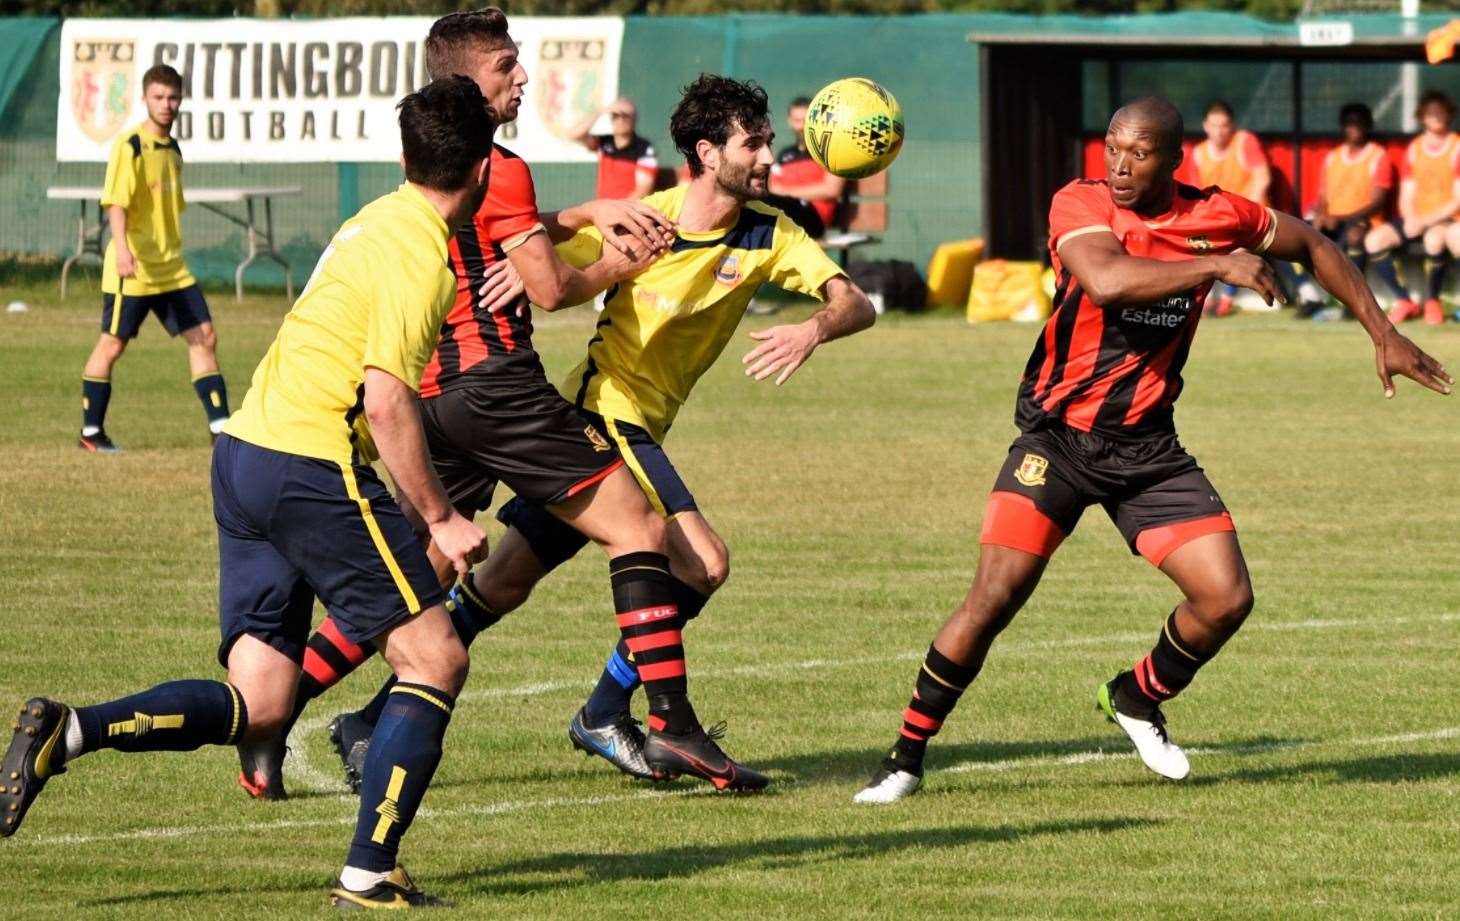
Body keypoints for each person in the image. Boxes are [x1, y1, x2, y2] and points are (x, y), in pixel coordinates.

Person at [283, 73, 875, 796]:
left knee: (485, 581)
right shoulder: (643, 217)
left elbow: (856, 301)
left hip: (610, 421)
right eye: (753, 143)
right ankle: (616, 713)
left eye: (767, 143)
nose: (767, 157)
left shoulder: (769, 233)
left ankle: (345, 714)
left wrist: (816, 326)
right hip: (605, 415)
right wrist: (519, 265)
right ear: (705, 150)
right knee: (703, 562)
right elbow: (547, 260)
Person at [853, 96, 1452, 805]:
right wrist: (1213, 268)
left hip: (1148, 449)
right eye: (1112, 148)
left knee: (1226, 597)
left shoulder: (1218, 215)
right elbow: (1107, 281)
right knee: (994, 595)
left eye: (1138, 153)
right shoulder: (1083, 203)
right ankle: (904, 757)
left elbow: (1316, 245)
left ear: (1174, 159)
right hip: (1059, 438)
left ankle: (1135, 696)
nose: (1120, 164)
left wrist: (1381, 331)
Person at [2, 76, 500, 909]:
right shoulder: (423, 257)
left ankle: (70, 729)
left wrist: (413, 511)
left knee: (265, 703)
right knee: (435, 655)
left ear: (406, 155)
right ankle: (369, 871)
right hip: (309, 466)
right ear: (482, 169)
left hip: (244, 454)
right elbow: (385, 398)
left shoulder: (372, 221)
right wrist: (441, 518)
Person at [79, 64, 230, 453]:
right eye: (159, 97)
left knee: (204, 336)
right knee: (112, 344)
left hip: (170, 267)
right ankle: (91, 434)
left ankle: (220, 429)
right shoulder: (131, 145)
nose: (166, 105)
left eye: (173, 97)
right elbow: (115, 202)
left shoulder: (173, 148)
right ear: (144, 99)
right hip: (135, 267)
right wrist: (124, 250)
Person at [1364, 90, 1460, 325]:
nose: (1435, 116)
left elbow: (1458, 199)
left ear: (1449, 115)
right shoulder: (1415, 148)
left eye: (1440, 112)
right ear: (1422, 117)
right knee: (1374, 240)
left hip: (1449, 218)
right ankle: (1405, 301)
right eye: (1430, 112)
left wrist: (1426, 222)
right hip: (1419, 217)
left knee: (1435, 240)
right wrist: (1411, 218)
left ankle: (1433, 302)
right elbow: (1407, 193)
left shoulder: (1456, 146)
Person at [1297, 103, 1393, 319]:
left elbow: (1378, 202)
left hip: (1363, 219)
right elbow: (1323, 196)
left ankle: (1353, 301)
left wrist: (1340, 218)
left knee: (1354, 236)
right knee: (1292, 232)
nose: (1354, 128)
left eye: (1359, 123)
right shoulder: (1333, 157)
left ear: (1368, 126)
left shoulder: (1378, 155)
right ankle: (1310, 296)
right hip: (1333, 219)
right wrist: (1321, 215)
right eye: (1350, 124)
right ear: (1343, 127)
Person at [1190, 100, 1271, 317]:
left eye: (1224, 125)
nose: (1219, 131)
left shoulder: (1244, 142)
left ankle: (1227, 299)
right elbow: (1197, 195)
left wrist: (1245, 212)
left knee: (1237, 247)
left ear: (1232, 125)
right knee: (1196, 244)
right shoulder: (1198, 153)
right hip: (1216, 218)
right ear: (1206, 126)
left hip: (1248, 217)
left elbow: (1262, 178)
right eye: (1214, 126)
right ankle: (1203, 299)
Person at [768, 95, 846, 238]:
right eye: (797, 121)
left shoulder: (830, 151)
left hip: (814, 219)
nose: (801, 127)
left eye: (806, 120)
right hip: (785, 213)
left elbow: (832, 189)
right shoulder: (785, 155)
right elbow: (772, 188)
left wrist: (785, 193)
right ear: (790, 121)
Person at [577, 96, 658, 200]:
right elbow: (575, 134)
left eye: (625, 115)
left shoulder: (645, 149)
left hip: (627, 211)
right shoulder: (603, 143)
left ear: (634, 119)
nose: (620, 119)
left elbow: (642, 191)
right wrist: (601, 111)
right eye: (615, 115)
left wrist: (616, 211)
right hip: (602, 208)